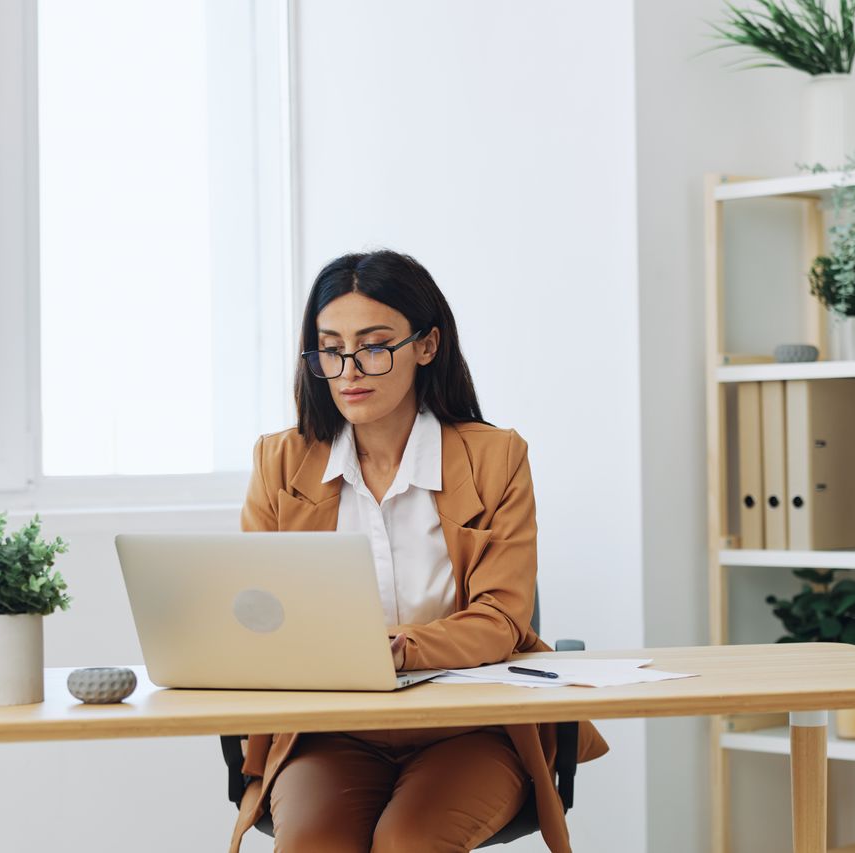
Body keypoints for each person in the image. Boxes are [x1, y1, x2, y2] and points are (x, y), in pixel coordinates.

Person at [228, 249, 607, 853]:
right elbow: (256, 611)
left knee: (411, 843)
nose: (349, 368)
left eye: (375, 346)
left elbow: (503, 618)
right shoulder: (280, 462)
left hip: (469, 728)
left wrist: (402, 650)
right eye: (330, 348)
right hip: (333, 730)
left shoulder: (496, 457)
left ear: (426, 346)